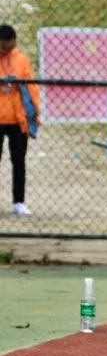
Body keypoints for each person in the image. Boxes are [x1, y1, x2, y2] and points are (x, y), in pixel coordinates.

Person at [0, 23, 39, 216]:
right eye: (3, 47)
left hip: (17, 118)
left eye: (9, 46)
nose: (6, 50)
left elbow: (32, 87)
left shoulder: (21, 60)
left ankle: (19, 201)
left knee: (19, 162)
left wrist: (34, 113)